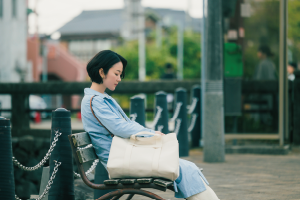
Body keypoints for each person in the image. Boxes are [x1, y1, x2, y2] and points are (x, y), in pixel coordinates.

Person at [81, 50, 220, 200]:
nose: (119, 79)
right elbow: (120, 128)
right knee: (182, 168)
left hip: (126, 155)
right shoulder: (95, 101)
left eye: (120, 74)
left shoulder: (101, 99)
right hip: (121, 159)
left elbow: (123, 125)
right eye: (116, 73)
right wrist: (150, 133)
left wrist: (148, 132)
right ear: (102, 72)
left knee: (185, 167)